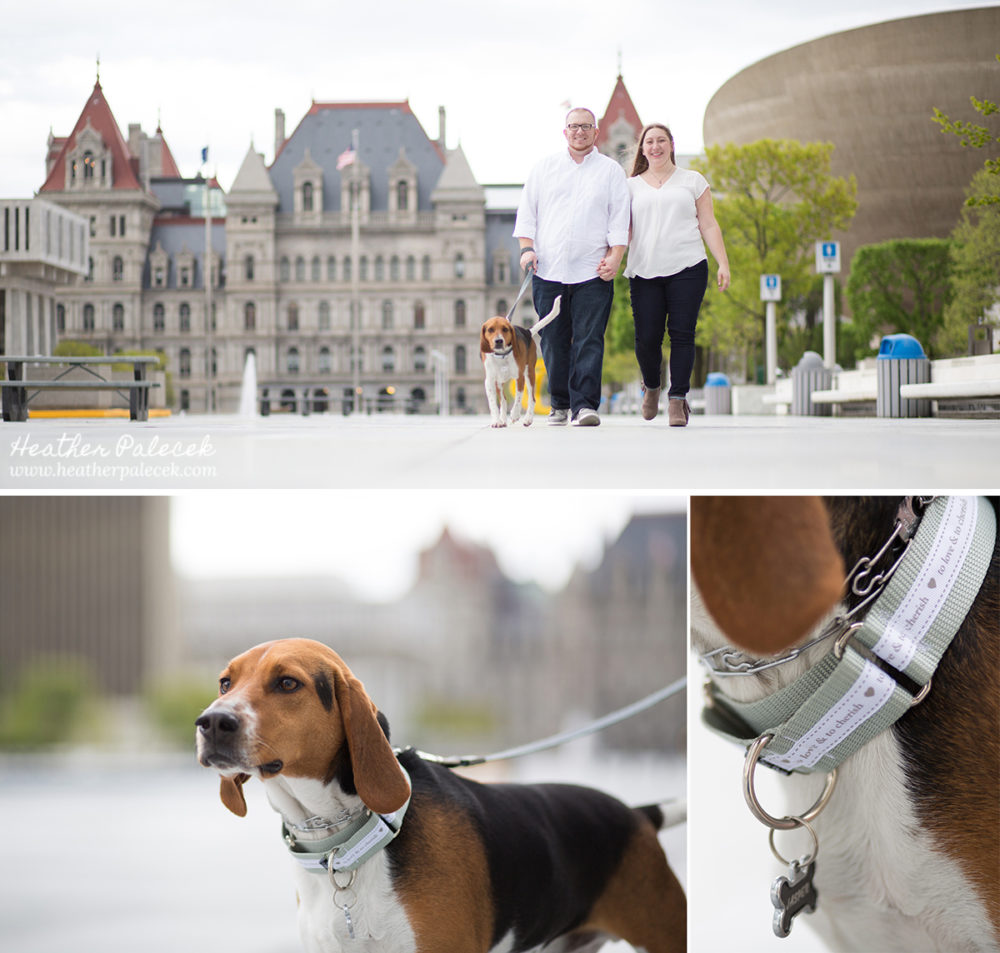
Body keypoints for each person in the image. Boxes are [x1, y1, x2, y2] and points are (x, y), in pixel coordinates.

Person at [514, 108, 630, 427]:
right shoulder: (544, 168)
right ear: (565, 132)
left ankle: (585, 406)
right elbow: (527, 214)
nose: (579, 131)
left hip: (593, 271)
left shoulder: (610, 171)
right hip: (547, 270)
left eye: (586, 126)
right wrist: (526, 249)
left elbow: (620, 219)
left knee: (589, 338)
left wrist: (616, 257)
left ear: (596, 132)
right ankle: (560, 404)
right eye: (574, 126)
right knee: (553, 339)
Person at [625, 123, 730, 427]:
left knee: (682, 334)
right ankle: (651, 385)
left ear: (671, 145)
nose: (655, 146)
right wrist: (611, 257)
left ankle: (677, 399)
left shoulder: (693, 181)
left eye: (661, 140)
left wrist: (723, 263)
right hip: (644, 270)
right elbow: (623, 230)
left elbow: (708, 224)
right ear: (643, 149)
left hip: (688, 266)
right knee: (647, 338)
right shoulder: (630, 186)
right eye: (649, 142)